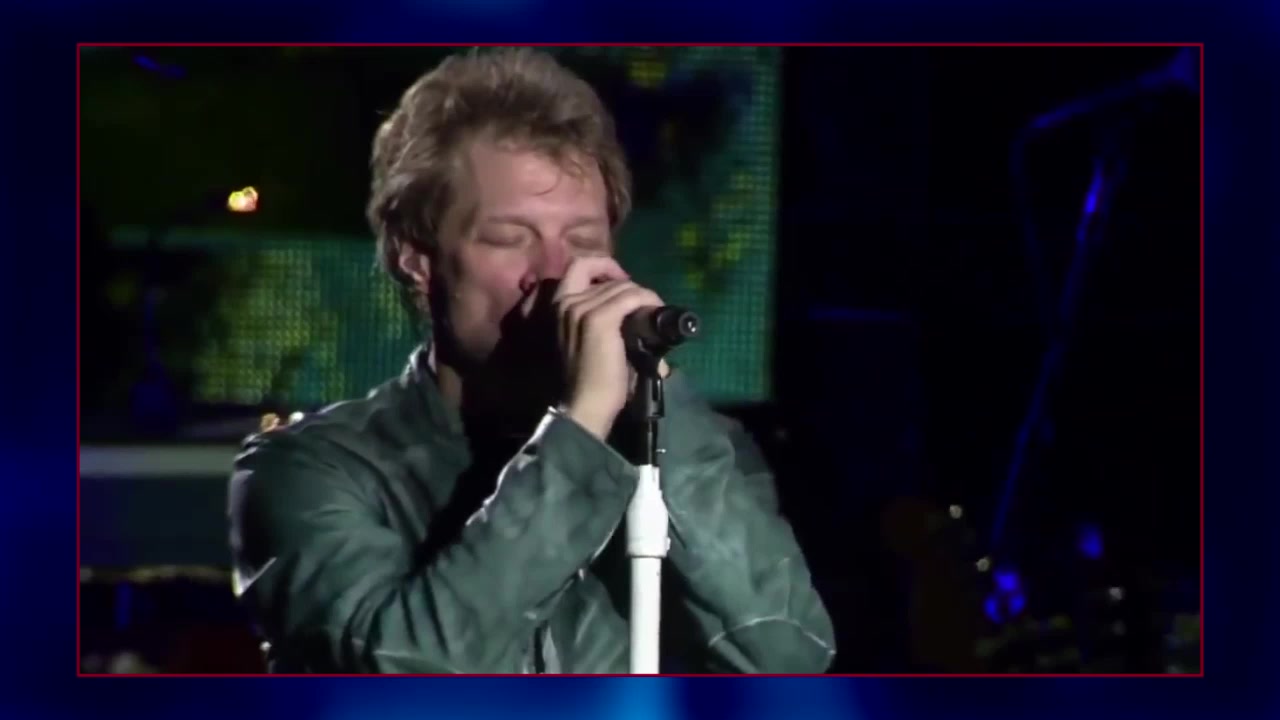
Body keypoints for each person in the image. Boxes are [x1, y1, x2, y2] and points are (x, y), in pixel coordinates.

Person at [227, 47, 835, 674]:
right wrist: (581, 428)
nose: (555, 273)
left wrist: (654, 407)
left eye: (583, 240)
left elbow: (787, 659)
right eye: (509, 239)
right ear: (417, 260)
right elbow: (408, 669)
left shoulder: (694, 446)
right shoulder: (310, 469)